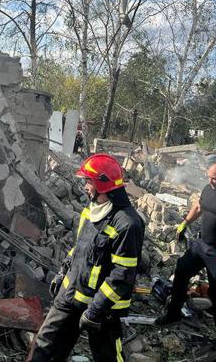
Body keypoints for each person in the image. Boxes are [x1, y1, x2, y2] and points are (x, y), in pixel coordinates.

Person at [27, 154, 144, 362]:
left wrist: (95, 310)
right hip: (71, 294)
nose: (85, 186)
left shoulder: (127, 224)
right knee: (44, 348)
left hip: (103, 309)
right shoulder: (91, 211)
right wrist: (64, 271)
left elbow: (122, 275)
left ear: (102, 184)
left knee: (107, 356)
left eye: (88, 181)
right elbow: (80, 248)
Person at [155, 162, 216, 350]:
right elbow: (199, 207)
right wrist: (184, 223)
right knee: (182, 271)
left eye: (214, 178)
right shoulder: (208, 189)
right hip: (201, 246)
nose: (210, 181)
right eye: (209, 177)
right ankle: (173, 313)